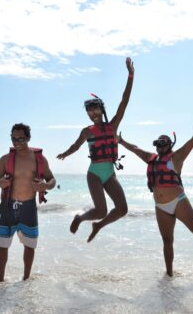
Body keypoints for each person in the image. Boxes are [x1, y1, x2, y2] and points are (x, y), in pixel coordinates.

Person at [118, 109, 193, 277]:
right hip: (161, 206)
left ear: (169, 145)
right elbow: (134, 148)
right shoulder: (151, 158)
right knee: (167, 241)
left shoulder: (177, 157)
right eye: (158, 144)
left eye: (164, 143)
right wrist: (121, 141)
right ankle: (169, 276)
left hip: (178, 201)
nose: (160, 146)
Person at [57, 57, 135, 242]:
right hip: (94, 173)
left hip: (109, 173)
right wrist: (65, 154)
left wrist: (130, 76)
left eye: (96, 110)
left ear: (102, 110)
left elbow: (124, 101)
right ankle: (80, 218)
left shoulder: (113, 125)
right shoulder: (87, 131)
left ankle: (98, 225)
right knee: (100, 210)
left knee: (122, 209)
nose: (93, 114)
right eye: (89, 112)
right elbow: (75, 146)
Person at [0, 123, 56, 281]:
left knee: (30, 245)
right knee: (3, 244)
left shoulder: (39, 159)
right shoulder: (5, 160)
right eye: (13, 138)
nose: (16, 142)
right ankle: (0, 281)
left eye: (20, 139)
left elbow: (52, 180)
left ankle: (25, 280)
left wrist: (45, 185)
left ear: (28, 138)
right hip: (8, 206)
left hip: (29, 206)